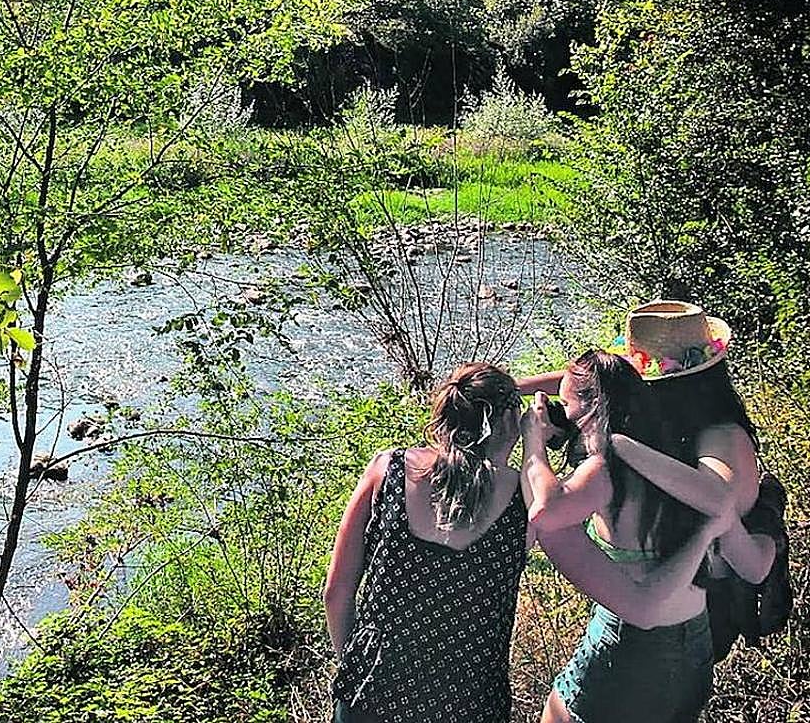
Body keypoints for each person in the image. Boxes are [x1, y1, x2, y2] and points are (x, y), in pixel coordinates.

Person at [326, 361, 728, 723]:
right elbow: (606, 381)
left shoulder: (388, 470)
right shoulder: (524, 504)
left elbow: (337, 591)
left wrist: (354, 666)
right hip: (468, 702)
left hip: (372, 689)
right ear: (508, 424)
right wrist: (543, 439)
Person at [521, 349, 721, 723]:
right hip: (695, 636)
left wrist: (533, 441)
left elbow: (548, 510)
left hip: (633, 643)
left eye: (565, 406)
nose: (563, 417)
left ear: (591, 409)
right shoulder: (668, 447)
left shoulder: (604, 470)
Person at [518, 301, 776, 590]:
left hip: (703, 599)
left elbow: (721, 515)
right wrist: (514, 386)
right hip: (675, 592)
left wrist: (616, 446)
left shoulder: (723, 439)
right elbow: (597, 383)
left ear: (668, 386)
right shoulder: (677, 419)